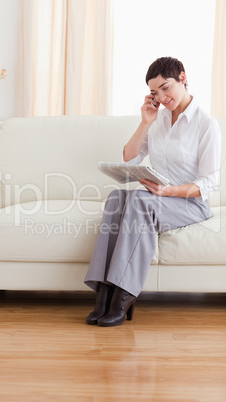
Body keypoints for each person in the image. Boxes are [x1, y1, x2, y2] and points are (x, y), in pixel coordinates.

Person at [84, 56, 221, 327]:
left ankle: (123, 295)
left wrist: (168, 191)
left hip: (189, 203)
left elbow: (208, 183)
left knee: (138, 203)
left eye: (166, 88)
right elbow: (129, 159)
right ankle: (103, 293)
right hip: (158, 199)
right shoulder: (157, 120)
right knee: (116, 198)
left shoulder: (206, 124)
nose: (162, 96)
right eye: (155, 92)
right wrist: (146, 122)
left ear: (183, 78)